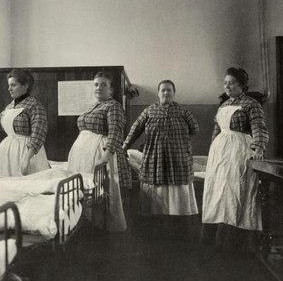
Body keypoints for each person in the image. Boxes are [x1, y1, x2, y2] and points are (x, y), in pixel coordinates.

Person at [201, 67, 268, 248]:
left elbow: (258, 128)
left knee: (237, 189)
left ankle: (238, 241)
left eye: (231, 83)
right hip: (220, 153)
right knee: (219, 191)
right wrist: (212, 152)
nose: (227, 86)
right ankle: (217, 239)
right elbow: (216, 131)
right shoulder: (223, 106)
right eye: (225, 83)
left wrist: (259, 148)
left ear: (242, 85)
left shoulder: (252, 104)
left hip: (239, 151)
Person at [123, 79, 199, 215]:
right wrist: (124, 147)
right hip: (155, 157)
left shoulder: (183, 112)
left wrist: (178, 143)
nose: (166, 93)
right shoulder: (149, 111)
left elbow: (195, 129)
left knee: (177, 189)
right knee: (155, 195)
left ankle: (178, 217)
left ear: (174, 93)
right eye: (163, 90)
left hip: (178, 159)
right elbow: (135, 130)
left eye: (169, 90)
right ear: (158, 93)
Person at [67, 71, 131, 231]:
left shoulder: (113, 106)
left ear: (111, 89)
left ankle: (101, 226)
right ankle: (85, 223)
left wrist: (104, 158)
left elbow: (115, 133)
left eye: (104, 85)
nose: (99, 88)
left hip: (102, 155)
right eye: (96, 84)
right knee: (86, 189)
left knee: (101, 190)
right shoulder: (93, 107)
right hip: (84, 156)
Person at [0, 68, 51, 176]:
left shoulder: (35, 106)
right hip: (7, 153)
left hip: (26, 152)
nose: (9, 89)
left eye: (13, 85)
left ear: (25, 86)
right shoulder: (9, 106)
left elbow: (38, 135)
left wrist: (27, 159)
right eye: (9, 85)